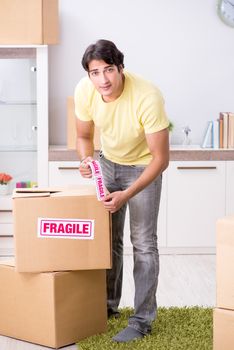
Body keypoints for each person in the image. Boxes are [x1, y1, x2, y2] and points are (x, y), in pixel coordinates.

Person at [74, 39, 169, 343]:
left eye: (109, 70)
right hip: (108, 164)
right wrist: (86, 160)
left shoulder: (147, 96)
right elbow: (83, 135)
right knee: (108, 240)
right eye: (95, 72)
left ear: (121, 68)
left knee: (142, 243)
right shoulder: (85, 90)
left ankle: (141, 322)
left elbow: (161, 158)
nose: (103, 79)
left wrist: (127, 194)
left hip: (143, 168)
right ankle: (106, 308)